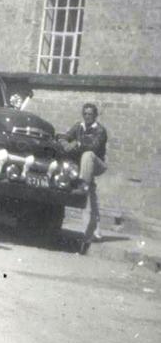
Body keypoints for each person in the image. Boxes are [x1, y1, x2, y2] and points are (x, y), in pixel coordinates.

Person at [61, 103, 109, 252]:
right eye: (85, 114)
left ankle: (83, 184)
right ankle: (96, 229)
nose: (87, 116)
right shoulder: (78, 126)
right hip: (84, 166)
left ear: (95, 115)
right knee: (91, 194)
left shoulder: (100, 130)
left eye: (90, 114)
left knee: (88, 155)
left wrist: (77, 143)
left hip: (97, 163)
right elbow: (65, 137)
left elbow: (93, 147)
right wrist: (65, 143)